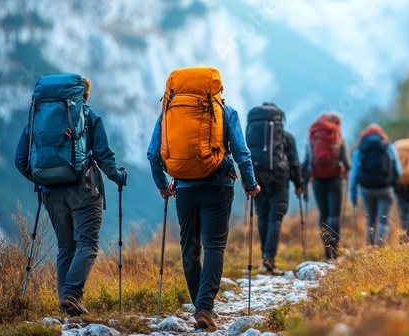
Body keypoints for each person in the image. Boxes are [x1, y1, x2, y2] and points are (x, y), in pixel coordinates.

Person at [147, 67, 259, 331]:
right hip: (218, 186)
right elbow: (242, 152)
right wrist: (251, 184)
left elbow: (153, 154)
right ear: (216, 90)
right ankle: (204, 307)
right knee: (215, 246)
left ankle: (201, 305)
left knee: (189, 247)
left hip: (183, 188)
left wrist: (163, 186)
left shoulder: (169, 113)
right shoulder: (226, 112)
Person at [14, 75, 127, 317]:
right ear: (84, 96)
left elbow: (20, 160)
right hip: (83, 190)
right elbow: (105, 158)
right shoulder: (90, 117)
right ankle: (72, 295)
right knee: (87, 244)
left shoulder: (36, 119)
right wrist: (119, 177)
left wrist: (41, 180)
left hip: (51, 194)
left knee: (66, 248)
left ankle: (66, 305)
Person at [245, 102, 303, 274]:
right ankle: (268, 258)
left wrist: (246, 180)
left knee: (262, 215)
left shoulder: (254, 136)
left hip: (257, 175)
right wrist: (298, 183)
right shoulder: (286, 137)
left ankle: (265, 257)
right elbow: (293, 162)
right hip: (278, 176)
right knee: (275, 216)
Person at [301, 113, 350, 262]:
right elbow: (347, 163)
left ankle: (326, 252)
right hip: (335, 180)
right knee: (334, 216)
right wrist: (345, 175)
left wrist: (303, 186)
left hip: (317, 181)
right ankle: (334, 251)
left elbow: (306, 163)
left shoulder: (313, 138)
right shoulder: (337, 137)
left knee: (324, 215)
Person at [349, 124, 402, 247]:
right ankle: (379, 249)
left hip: (366, 189)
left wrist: (353, 197)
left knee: (371, 220)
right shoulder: (388, 147)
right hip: (385, 188)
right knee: (383, 221)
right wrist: (395, 185)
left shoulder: (359, 150)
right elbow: (398, 170)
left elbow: (354, 175)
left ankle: (370, 248)